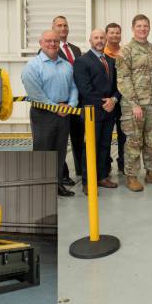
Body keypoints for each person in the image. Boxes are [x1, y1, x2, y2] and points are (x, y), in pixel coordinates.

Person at [22, 30, 79, 197]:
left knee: (60, 151)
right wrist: (57, 108)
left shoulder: (67, 65)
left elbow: (73, 87)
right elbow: (36, 94)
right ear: (41, 43)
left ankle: (57, 185)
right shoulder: (33, 66)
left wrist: (71, 105)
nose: (52, 44)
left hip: (64, 114)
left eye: (55, 41)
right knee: (43, 152)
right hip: (43, 114)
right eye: (48, 41)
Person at [117, 14, 152, 191]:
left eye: (146, 26)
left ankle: (151, 172)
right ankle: (131, 176)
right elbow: (123, 79)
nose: (143, 29)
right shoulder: (126, 51)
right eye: (139, 26)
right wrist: (134, 104)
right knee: (134, 141)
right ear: (133, 28)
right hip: (134, 105)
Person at [73, 29, 120, 189]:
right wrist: (104, 103)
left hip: (109, 112)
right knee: (91, 148)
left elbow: (117, 85)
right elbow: (85, 89)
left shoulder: (110, 61)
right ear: (90, 40)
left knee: (105, 146)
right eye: (96, 38)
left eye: (102, 37)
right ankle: (88, 181)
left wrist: (113, 100)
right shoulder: (82, 61)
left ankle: (102, 177)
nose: (100, 40)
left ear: (106, 40)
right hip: (93, 112)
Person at [53, 16, 84, 189]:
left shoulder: (76, 49)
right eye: (59, 25)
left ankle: (81, 169)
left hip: (76, 102)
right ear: (53, 28)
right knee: (61, 141)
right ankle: (63, 174)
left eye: (65, 25)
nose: (63, 28)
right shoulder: (49, 49)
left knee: (79, 138)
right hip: (60, 104)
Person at [104, 22, 126, 174]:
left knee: (124, 135)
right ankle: (105, 163)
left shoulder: (125, 52)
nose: (114, 35)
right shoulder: (101, 53)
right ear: (106, 35)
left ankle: (123, 162)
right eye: (111, 33)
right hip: (107, 101)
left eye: (117, 33)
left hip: (123, 99)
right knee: (105, 135)